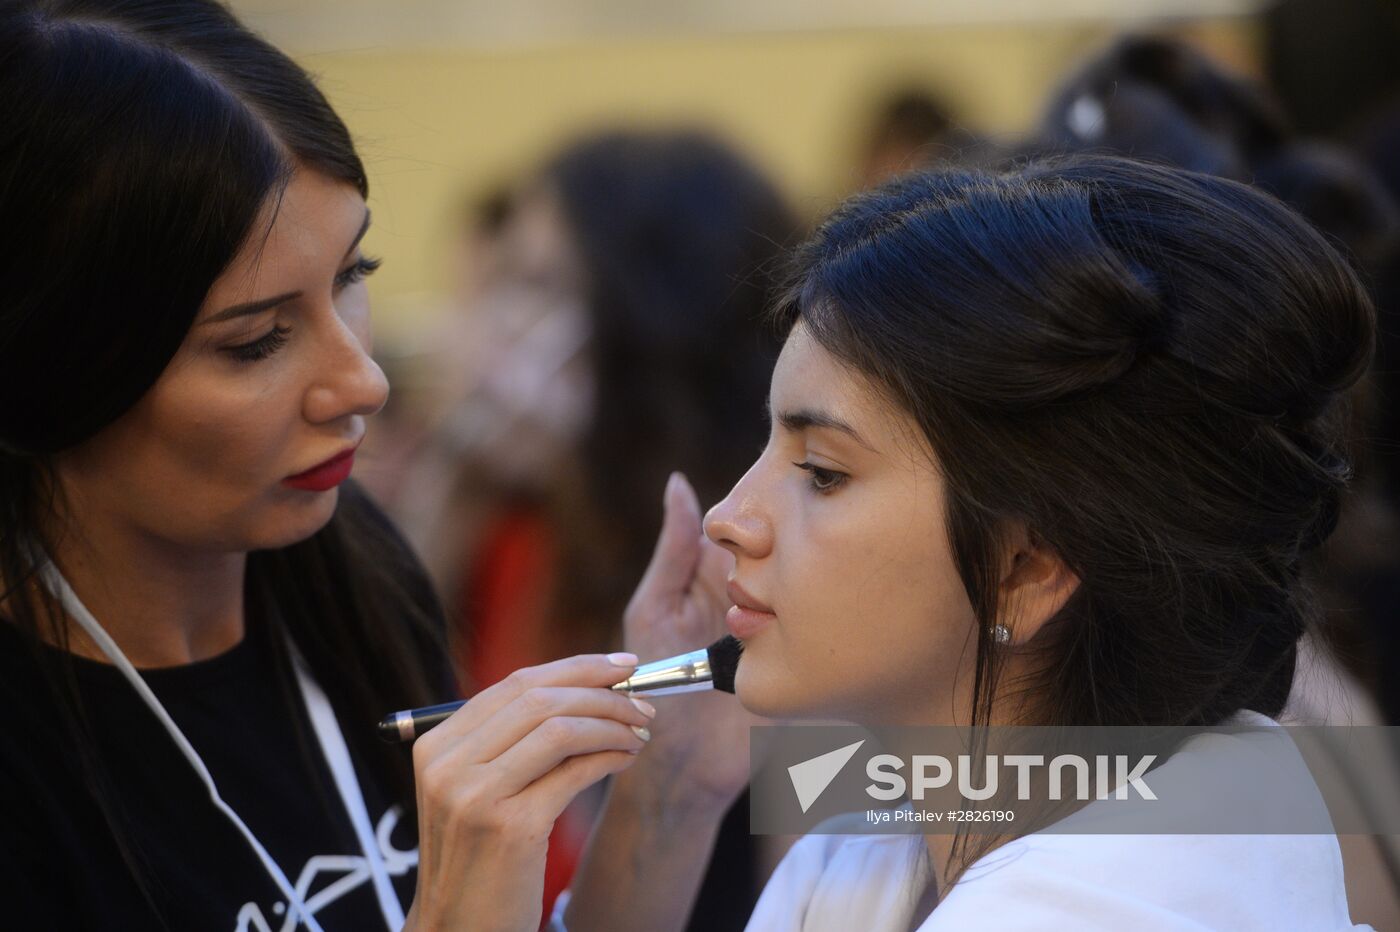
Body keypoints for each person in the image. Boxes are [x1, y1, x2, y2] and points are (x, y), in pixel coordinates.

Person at [564, 156, 1378, 930]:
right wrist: (665, 795)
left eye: (820, 472)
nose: (728, 519)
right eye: (767, 447)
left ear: (1026, 568)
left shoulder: (1090, 907)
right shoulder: (869, 856)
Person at [0, 3, 667, 929]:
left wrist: (687, 792)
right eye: (257, 342)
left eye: (355, 273)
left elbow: (899, 782)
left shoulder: (355, 568)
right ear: (54, 369)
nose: (363, 382)